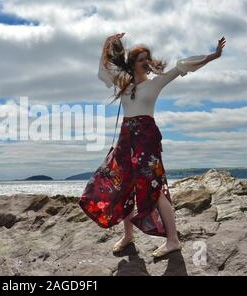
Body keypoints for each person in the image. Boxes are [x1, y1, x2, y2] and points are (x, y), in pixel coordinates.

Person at [97, 32, 226, 258]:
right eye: (141, 59)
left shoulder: (156, 83)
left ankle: (173, 240)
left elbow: (182, 67)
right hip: (126, 137)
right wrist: (108, 43)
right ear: (132, 64)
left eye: (148, 58)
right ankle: (128, 236)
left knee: (154, 188)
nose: (146, 63)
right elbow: (105, 69)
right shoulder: (124, 85)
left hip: (147, 138)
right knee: (124, 186)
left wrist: (212, 56)